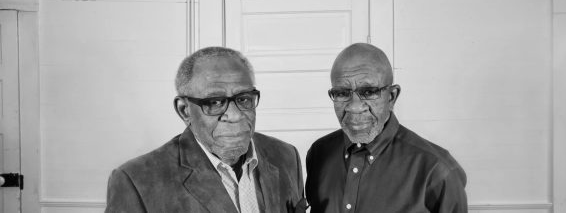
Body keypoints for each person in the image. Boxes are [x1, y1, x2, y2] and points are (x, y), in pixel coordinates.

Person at [105, 46, 307, 213]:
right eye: (215, 102)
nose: (235, 115)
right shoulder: (135, 181)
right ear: (185, 111)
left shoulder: (286, 156)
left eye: (244, 99)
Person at [306, 43, 468, 213]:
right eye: (341, 93)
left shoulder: (438, 169)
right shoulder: (318, 154)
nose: (354, 107)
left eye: (368, 92)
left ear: (391, 97)